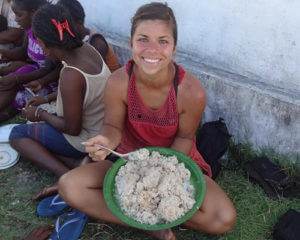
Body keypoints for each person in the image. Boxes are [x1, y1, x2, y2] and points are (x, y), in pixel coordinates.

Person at [58, 2, 236, 240]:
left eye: (163, 41)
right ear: (131, 43)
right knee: (70, 186)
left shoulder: (191, 92)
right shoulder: (119, 82)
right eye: (143, 39)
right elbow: (112, 127)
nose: (152, 49)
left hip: (174, 162)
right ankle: (150, 224)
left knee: (223, 218)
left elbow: (184, 138)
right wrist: (105, 140)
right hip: (128, 161)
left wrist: (161, 180)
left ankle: (147, 208)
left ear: (174, 48)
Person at [9, 4, 110, 198]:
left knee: (17, 134)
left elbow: (73, 128)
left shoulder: (71, 74)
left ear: (43, 44)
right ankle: (81, 167)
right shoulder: (88, 49)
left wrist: (39, 113)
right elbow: (84, 92)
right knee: (39, 127)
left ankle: (66, 176)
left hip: (87, 139)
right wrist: (46, 98)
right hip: (103, 128)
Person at [0, 0, 57, 123]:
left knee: (17, 94)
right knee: (7, 82)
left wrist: (17, 79)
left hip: (48, 81)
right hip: (35, 70)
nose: (15, 20)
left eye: (19, 15)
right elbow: (23, 51)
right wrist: (5, 53)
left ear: (34, 13)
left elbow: (48, 69)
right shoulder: (29, 29)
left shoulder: (47, 34)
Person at [57, 0, 121, 72]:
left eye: (66, 26)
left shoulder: (96, 43)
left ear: (79, 23)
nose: (63, 30)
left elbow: (97, 76)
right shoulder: (71, 38)